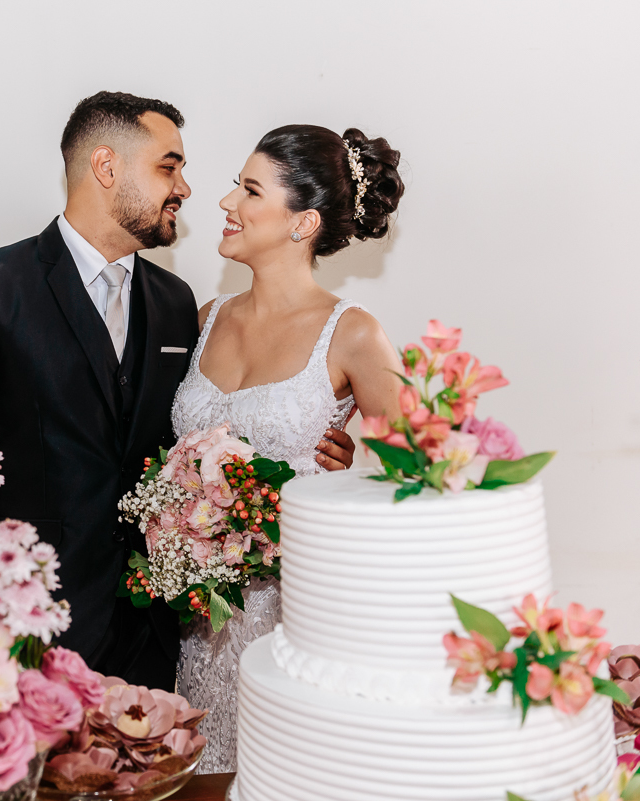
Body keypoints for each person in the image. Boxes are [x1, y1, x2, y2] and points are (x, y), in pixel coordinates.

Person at [0, 94, 356, 692]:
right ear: (107, 167)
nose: (185, 188)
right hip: (25, 631)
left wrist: (315, 455)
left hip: (156, 636)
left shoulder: (177, 303)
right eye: (168, 167)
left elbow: (202, 434)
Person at [171, 124, 406, 770]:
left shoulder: (353, 335)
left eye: (250, 190)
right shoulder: (204, 319)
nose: (227, 202)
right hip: (195, 626)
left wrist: (346, 478)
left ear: (303, 223)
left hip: (297, 625)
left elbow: (424, 484)